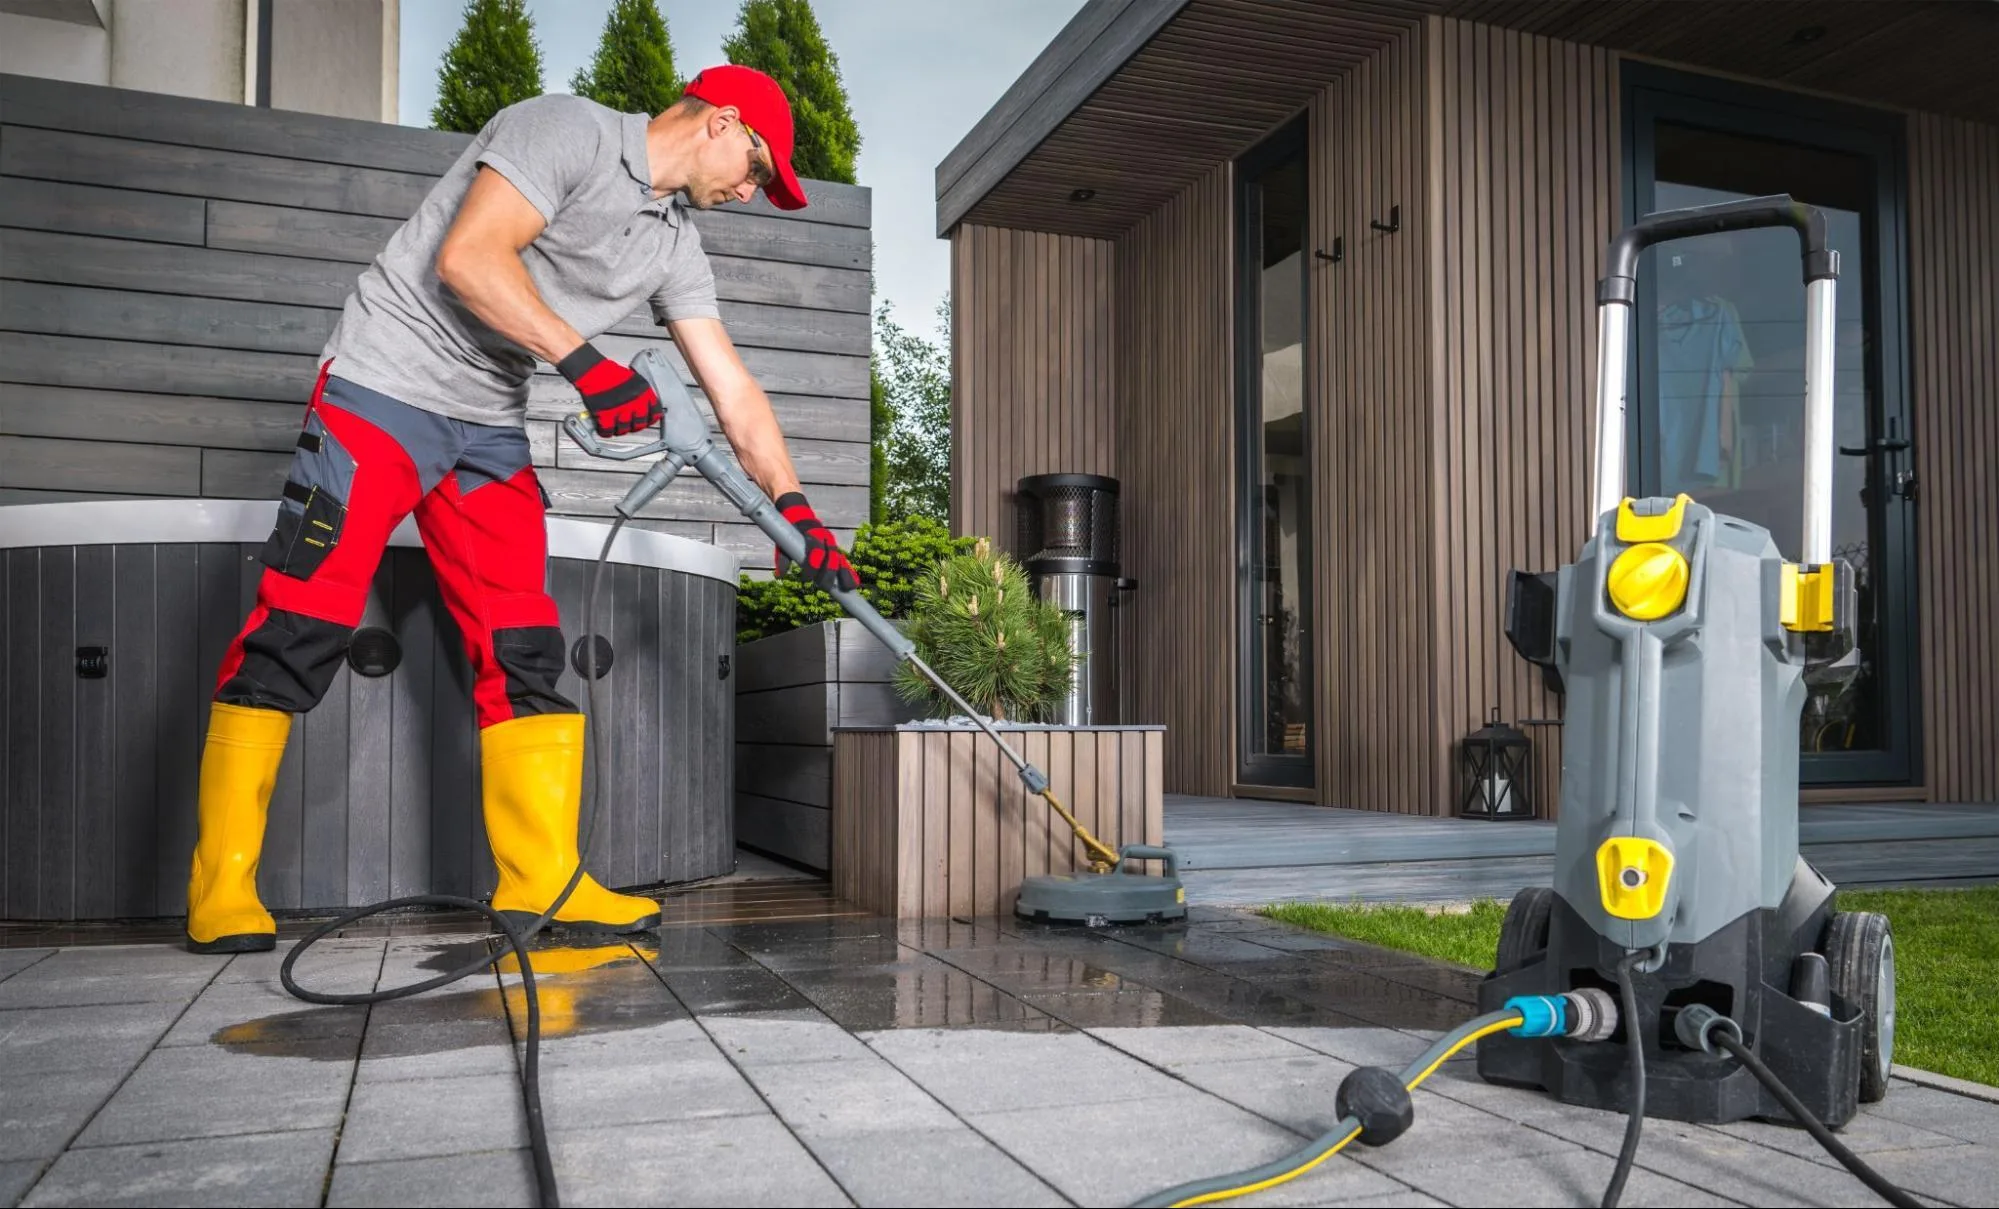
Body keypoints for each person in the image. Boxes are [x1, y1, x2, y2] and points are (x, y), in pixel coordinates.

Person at [184, 65, 859, 954]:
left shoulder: (673, 242)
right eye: (759, 166)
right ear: (720, 122)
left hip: (486, 425)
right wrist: (586, 365)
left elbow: (733, 389)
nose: (754, 190)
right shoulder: (565, 129)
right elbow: (468, 257)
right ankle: (221, 885)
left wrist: (798, 511)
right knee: (303, 620)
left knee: (522, 643)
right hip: (381, 389)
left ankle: (544, 883)